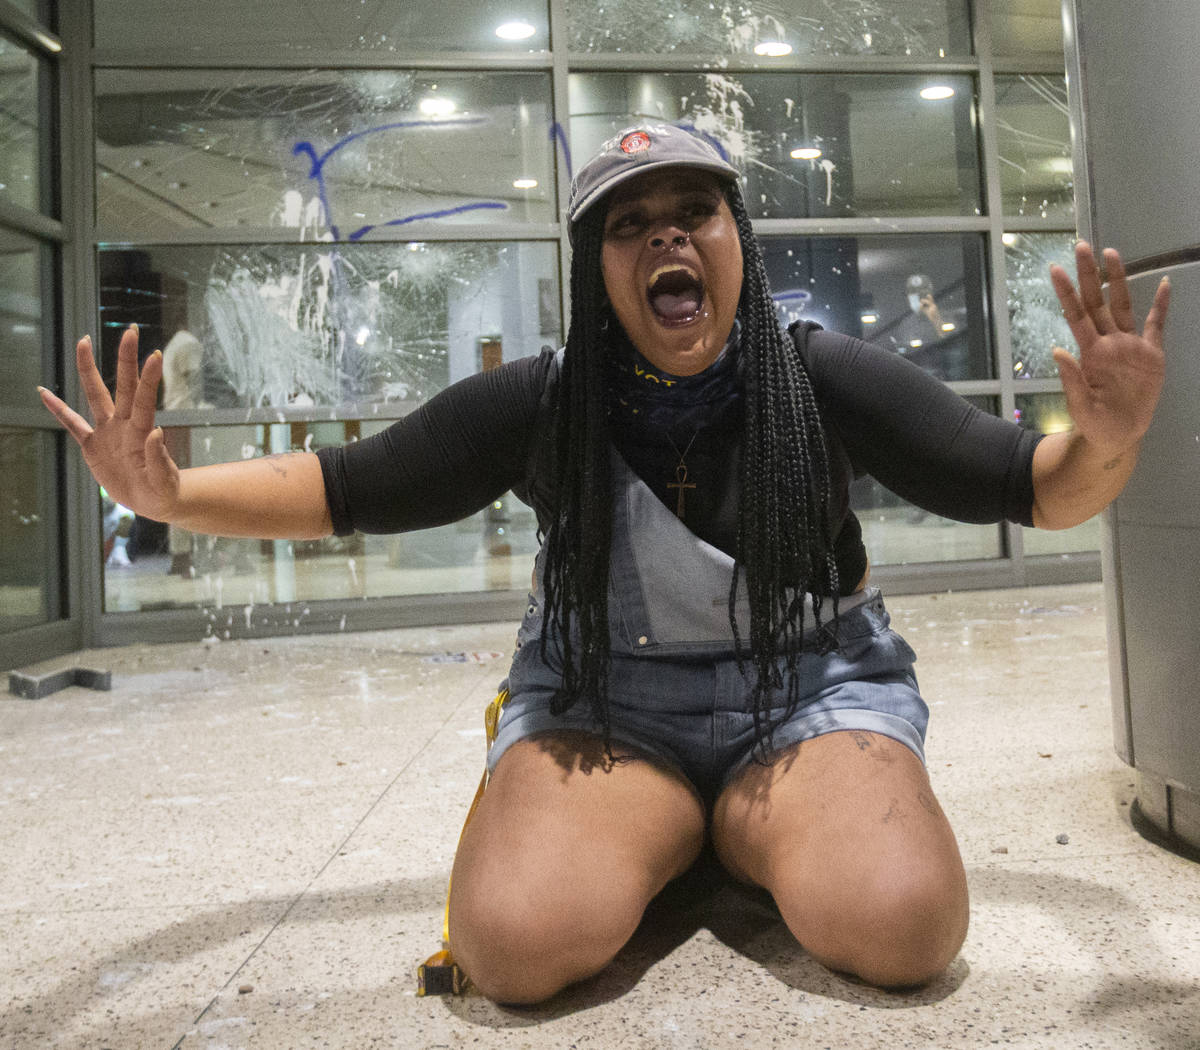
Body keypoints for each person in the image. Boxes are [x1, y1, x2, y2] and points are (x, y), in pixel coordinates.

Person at [39, 124, 1169, 1006]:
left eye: (696, 213)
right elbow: (351, 488)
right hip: (606, 713)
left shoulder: (821, 380)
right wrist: (170, 495)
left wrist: (1106, 441)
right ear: (596, 265)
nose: (668, 239)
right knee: (516, 952)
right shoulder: (543, 400)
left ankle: (734, 822)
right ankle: (682, 822)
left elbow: (1032, 484)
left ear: (739, 243)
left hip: (810, 704)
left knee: (907, 928)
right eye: (631, 226)